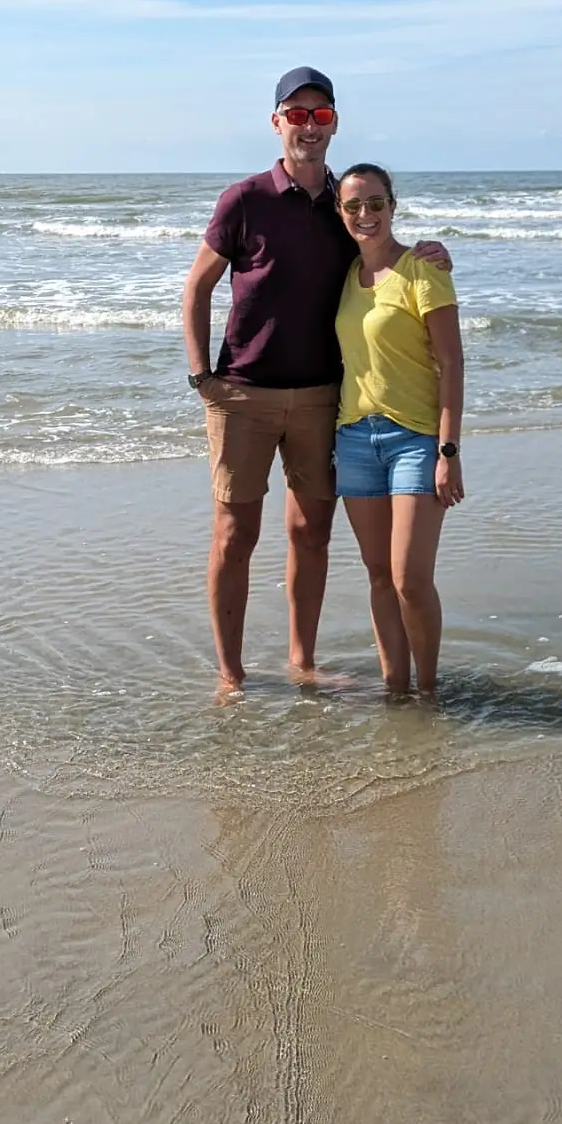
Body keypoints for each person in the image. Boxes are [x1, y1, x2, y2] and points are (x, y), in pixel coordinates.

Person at [181, 68, 450, 697]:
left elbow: (379, 248)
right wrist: (202, 376)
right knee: (234, 533)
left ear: (334, 124)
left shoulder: (342, 202)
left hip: (325, 400)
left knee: (310, 531)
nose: (308, 126)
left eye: (320, 115)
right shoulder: (244, 199)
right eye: (296, 114)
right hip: (242, 392)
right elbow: (197, 288)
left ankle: (302, 661)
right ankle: (232, 674)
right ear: (276, 122)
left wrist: (428, 251)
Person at [332, 163, 465, 698]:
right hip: (354, 440)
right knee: (379, 576)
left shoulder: (424, 269)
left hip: (414, 439)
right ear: (341, 213)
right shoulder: (345, 276)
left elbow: (453, 363)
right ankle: (395, 691)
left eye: (376, 203)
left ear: (393, 205)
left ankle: (428, 692)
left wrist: (448, 450)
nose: (366, 215)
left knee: (410, 576)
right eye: (353, 206)